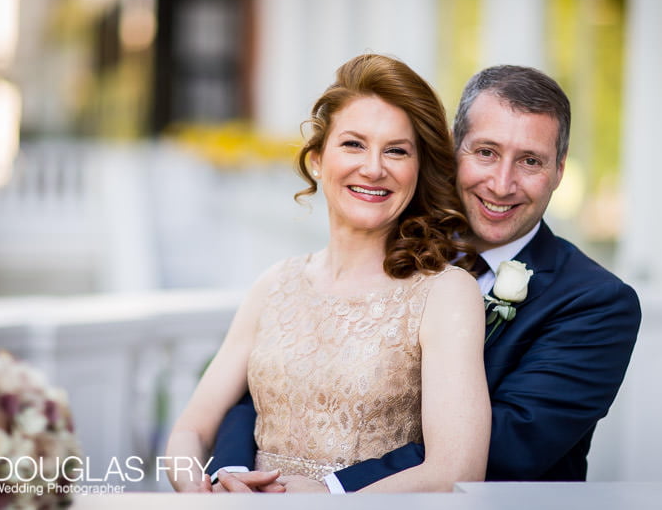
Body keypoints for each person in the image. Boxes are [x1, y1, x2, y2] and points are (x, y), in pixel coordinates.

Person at [209, 64, 641, 493]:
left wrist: (332, 488)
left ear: (560, 171)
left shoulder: (596, 303)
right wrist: (236, 475)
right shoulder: (386, 244)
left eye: (530, 161)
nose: (502, 183)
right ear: (453, 150)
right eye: (486, 152)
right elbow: (274, 384)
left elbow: (504, 448)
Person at [164, 53, 491, 493]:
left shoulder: (446, 294)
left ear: (418, 170)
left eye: (396, 150)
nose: (373, 167)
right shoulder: (274, 284)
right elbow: (190, 432)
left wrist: (327, 500)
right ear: (317, 160)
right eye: (353, 144)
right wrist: (204, 489)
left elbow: (456, 469)